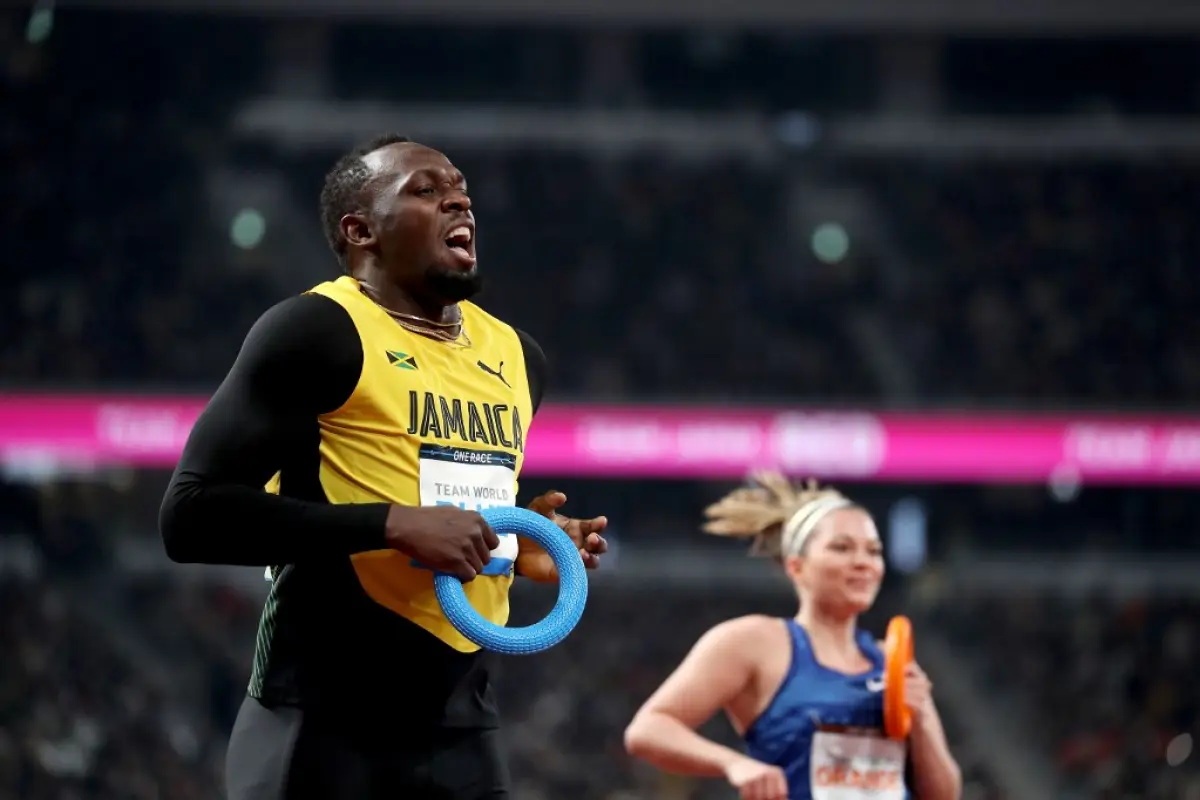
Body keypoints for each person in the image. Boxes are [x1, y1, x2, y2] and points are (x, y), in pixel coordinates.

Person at [159, 134, 608, 800]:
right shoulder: (314, 331)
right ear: (360, 229)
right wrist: (392, 525)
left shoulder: (518, 356)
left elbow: (456, 510)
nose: (459, 199)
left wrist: (519, 543)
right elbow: (191, 517)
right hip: (320, 723)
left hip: (463, 729)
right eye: (425, 190)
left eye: (460, 188)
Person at [623, 472, 960, 800]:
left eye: (873, 551)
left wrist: (922, 719)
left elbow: (944, 795)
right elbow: (648, 729)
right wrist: (735, 764)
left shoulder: (893, 662)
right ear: (796, 566)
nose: (863, 562)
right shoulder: (756, 643)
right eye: (842, 548)